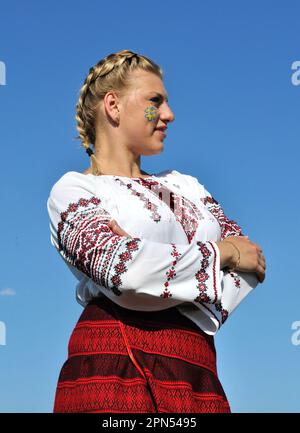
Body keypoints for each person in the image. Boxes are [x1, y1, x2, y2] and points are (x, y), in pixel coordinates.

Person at [47, 49, 266, 413]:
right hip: (112, 364)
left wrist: (151, 266)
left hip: (196, 366)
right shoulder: (74, 191)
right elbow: (124, 270)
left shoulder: (187, 186)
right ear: (113, 106)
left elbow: (253, 263)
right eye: (155, 100)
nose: (169, 114)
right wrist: (221, 253)